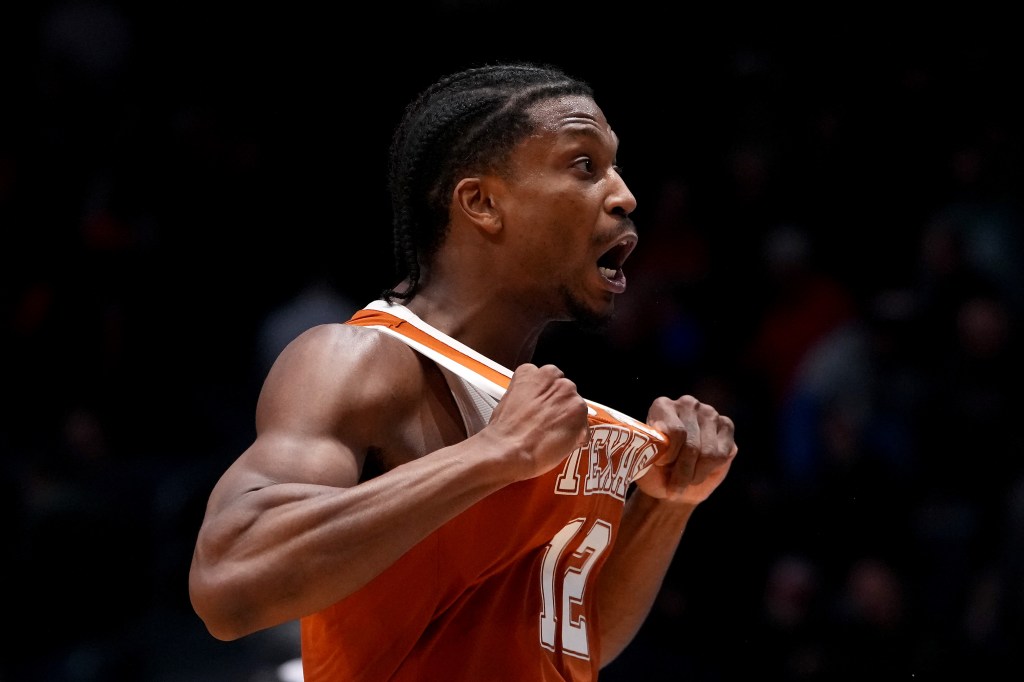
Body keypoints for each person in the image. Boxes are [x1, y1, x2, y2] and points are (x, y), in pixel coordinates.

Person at [188, 61, 739, 681]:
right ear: (481, 203)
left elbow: (567, 643)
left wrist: (668, 505)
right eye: (584, 165)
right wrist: (492, 456)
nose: (624, 194)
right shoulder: (359, 360)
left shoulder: (538, 411)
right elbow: (228, 585)